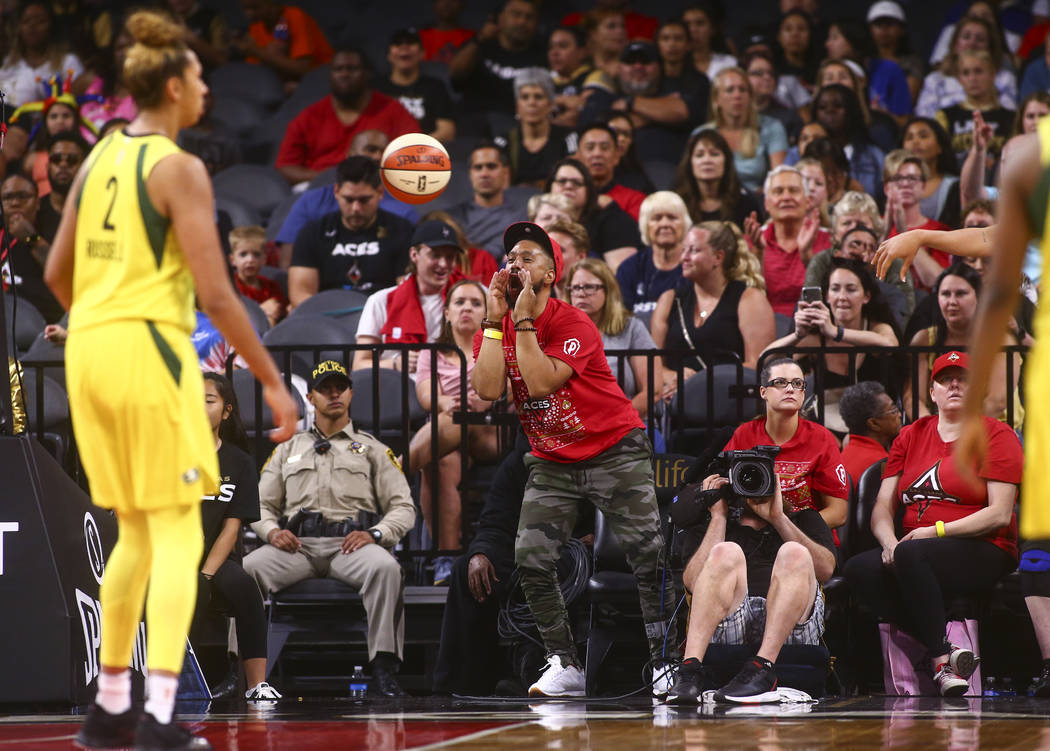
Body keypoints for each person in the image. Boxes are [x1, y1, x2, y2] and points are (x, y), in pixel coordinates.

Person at [52, 11, 297, 749]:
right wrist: (272, 382)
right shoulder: (178, 166)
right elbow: (218, 294)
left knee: (135, 532)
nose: (205, 88)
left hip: (89, 356)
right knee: (172, 538)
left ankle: (112, 705)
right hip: (145, 354)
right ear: (170, 83)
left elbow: (59, 271)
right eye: (196, 75)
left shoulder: (98, 158)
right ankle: (161, 714)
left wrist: (104, 318)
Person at [472, 221, 678, 698]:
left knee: (647, 555)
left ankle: (664, 660)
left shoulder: (573, 323)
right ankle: (565, 662)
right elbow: (485, 390)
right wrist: (491, 319)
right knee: (530, 557)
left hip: (614, 449)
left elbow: (541, 382)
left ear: (550, 274)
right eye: (511, 257)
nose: (515, 264)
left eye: (528, 257)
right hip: (552, 458)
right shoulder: (501, 324)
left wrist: (521, 322)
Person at [843, 351, 1021, 696]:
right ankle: (950, 650)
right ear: (932, 390)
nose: (954, 385)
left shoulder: (997, 435)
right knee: (858, 569)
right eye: (945, 379)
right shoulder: (910, 435)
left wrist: (932, 532)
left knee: (912, 555)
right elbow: (881, 506)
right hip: (917, 550)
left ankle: (939, 663)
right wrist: (889, 544)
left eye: (963, 379)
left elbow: (999, 513)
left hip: (986, 547)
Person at [665, 357, 840, 704]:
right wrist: (716, 515)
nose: (790, 388)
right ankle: (688, 672)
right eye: (747, 473)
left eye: (798, 383)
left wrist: (778, 517)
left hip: (793, 624)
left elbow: (825, 570)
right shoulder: (723, 518)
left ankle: (763, 667)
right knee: (725, 552)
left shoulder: (802, 517)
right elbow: (691, 582)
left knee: (794, 553)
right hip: (732, 616)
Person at [243, 359, 416, 698]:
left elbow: (403, 507)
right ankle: (243, 673)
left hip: (351, 545)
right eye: (325, 389)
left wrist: (376, 534)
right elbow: (259, 504)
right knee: (246, 571)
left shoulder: (373, 450)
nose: (334, 394)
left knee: (386, 569)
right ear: (311, 398)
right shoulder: (287, 450)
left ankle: (384, 669)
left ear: (351, 393)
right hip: (297, 546)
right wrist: (271, 532)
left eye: (340, 387)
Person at [193, 373, 281, 701]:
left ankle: (256, 684)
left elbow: (232, 529)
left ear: (226, 411)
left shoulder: (239, 462)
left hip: (216, 555)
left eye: (208, 400)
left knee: (245, 587)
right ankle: (172, 679)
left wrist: (205, 573)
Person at [408, 279, 499, 584]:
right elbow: (426, 394)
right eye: (459, 302)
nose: (467, 308)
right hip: (449, 438)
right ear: (446, 312)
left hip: (491, 433)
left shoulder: (496, 344)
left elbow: (509, 388)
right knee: (440, 462)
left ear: (486, 312)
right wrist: (449, 402)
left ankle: (391, 470)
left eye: (475, 303)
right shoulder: (433, 352)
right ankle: (448, 559)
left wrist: (483, 399)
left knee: (459, 420)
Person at [762, 257, 901, 434]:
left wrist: (836, 332)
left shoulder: (877, 327)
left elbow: (890, 344)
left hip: (873, 424)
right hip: (825, 421)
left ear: (866, 296)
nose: (842, 297)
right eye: (835, 289)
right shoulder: (816, 336)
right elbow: (766, 360)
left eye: (850, 289)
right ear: (827, 296)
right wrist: (797, 335)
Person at [651, 221, 774, 398]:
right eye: (684, 249)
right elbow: (652, 364)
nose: (684, 257)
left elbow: (758, 365)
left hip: (729, 403)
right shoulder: (669, 299)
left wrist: (699, 382)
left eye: (693, 250)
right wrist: (673, 376)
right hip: (676, 404)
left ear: (718, 257)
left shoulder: (749, 299)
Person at [275, 47, 420, 186]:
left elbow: (415, 155)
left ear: (367, 73)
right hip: (318, 184)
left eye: (352, 69)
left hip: (377, 184)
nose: (344, 74)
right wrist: (330, 177)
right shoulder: (310, 116)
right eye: (338, 69)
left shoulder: (392, 110)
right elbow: (285, 167)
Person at [274, 133, 421, 266]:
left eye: (383, 152)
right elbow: (289, 263)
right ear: (350, 154)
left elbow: (411, 269)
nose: (377, 157)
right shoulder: (311, 201)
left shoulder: (403, 210)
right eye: (370, 149)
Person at [287, 156, 415, 305]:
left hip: (383, 314)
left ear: (380, 193)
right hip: (326, 317)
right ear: (336, 192)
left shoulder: (402, 230)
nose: (356, 208)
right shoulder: (313, 232)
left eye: (364, 200)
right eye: (348, 199)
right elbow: (301, 294)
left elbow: (407, 291)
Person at [905, 261, 1021, 424]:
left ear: (978, 297)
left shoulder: (1000, 339)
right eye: (945, 294)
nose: (952, 301)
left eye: (960, 294)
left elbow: (997, 401)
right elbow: (913, 399)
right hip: (941, 431)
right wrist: (934, 432)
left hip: (997, 428)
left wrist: (958, 434)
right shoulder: (924, 339)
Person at [353, 219, 463, 373]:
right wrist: (396, 363)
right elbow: (359, 365)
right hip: (399, 389)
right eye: (435, 255)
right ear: (414, 254)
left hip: (455, 388)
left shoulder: (472, 298)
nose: (443, 264)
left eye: (450, 257)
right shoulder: (381, 301)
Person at [568, 258, 660, 419]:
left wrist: (614, 421)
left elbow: (653, 390)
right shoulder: (560, 331)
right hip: (572, 427)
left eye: (589, 287)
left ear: (608, 290)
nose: (581, 293)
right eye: (575, 288)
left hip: (624, 424)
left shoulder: (630, 328)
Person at [745, 165, 831, 317]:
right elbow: (749, 297)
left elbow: (832, 294)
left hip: (814, 322)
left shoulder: (829, 240)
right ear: (766, 203)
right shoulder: (752, 241)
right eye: (778, 192)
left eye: (794, 190)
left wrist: (807, 257)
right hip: (763, 323)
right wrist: (758, 251)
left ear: (808, 200)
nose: (786, 197)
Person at [448, 0, 546, 127]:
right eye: (516, 15)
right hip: (473, 122)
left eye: (529, 17)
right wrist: (480, 38)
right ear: (500, 18)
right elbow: (455, 74)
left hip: (517, 127)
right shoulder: (479, 46)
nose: (522, 22)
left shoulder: (542, 56)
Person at [695, 67, 788, 194]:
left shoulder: (771, 127)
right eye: (729, 90)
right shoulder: (701, 134)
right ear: (716, 99)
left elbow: (780, 177)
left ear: (750, 97)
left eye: (742, 90)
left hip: (759, 201)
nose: (737, 95)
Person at [545, 156, 641, 271]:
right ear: (550, 186)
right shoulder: (538, 217)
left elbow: (622, 277)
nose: (568, 186)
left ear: (588, 190)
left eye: (577, 182)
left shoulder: (614, 221)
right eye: (562, 181)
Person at [916, 14, 1017, 119]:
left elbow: (1010, 118)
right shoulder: (935, 80)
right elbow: (924, 120)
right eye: (966, 37)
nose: (972, 43)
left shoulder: (1005, 79)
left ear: (990, 47)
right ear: (955, 44)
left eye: (980, 39)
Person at [445, 143, 529, 262]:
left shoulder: (521, 219)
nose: (484, 174)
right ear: (470, 174)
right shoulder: (452, 218)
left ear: (505, 172)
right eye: (478, 167)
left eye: (491, 166)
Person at [494, 68, 576, 187]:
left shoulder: (568, 138)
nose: (531, 103)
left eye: (538, 97)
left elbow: (573, 178)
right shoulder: (504, 142)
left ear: (550, 104)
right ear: (518, 106)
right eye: (525, 97)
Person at [0, 172, 64, 324]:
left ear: (38, 203)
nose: (15, 203)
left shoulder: (54, 229)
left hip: (44, 322)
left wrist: (32, 239)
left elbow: (61, 274)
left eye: (23, 196)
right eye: (8, 198)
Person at [934, 50, 1015, 167]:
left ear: (993, 74)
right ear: (959, 79)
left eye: (978, 71)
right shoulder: (945, 115)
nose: (972, 78)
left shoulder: (1011, 117)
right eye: (966, 73)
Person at [377, 27, 456, 144]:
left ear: (422, 53)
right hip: (382, 152)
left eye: (410, 42)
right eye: (397, 43)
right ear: (388, 55)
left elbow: (447, 131)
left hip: (423, 155)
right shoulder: (376, 87)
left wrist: (415, 147)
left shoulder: (435, 86)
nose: (404, 47)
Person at [616, 191, 689, 315]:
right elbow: (622, 317)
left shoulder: (696, 267)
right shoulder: (629, 268)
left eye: (672, 217)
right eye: (656, 218)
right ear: (645, 225)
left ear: (685, 223)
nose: (665, 224)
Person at [809, 84, 886, 199]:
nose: (830, 111)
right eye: (823, 107)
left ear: (851, 110)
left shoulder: (873, 155)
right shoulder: (802, 152)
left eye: (838, 106)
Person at [675, 128, 763, 230]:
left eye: (714, 154)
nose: (707, 160)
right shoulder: (678, 203)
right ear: (690, 163)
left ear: (726, 162)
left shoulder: (745, 203)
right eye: (699, 155)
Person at [0, 1, 83, 107]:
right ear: (19, 27)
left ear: (52, 26)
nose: (32, 26)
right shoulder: (8, 64)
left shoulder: (68, 63)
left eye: (40, 21)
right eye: (26, 21)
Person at [233, 0, 332, 84]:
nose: (248, 14)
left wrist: (258, 52)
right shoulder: (256, 25)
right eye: (245, 9)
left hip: (321, 77)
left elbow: (304, 69)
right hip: (281, 84)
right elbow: (255, 71)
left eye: (254, 8)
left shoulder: (296, 16)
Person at [575, 122, 646, 222]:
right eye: (590, 147)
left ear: (616, 156)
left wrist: (613, 209)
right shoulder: (568, 196)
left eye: (604, 148)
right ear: (578, 157)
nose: (597, 154)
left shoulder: (634, 200)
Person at [838, 380, 902, 484]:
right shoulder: (882, 465)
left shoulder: (841, 459)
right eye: (893, 411)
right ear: (874, 423)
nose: (899, 415)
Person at [901, 117, 961, 227]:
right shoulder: (893, 184)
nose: (915, 141)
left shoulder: (956, 187)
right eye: (909, 137)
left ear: (940, 146)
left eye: (923, 136)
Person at [36, 131, 90, 243]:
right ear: (48, 166)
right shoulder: (35, 210)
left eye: (72, 160)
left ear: (84, 167)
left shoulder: (95, 209)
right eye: (56, 159)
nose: (63, 165)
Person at [228, 225, 287, 327]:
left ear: (264, 259)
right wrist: (261, 311)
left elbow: (281, 311)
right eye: (243, 254)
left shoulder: (272, 287)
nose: (250, 260)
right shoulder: (231, 287)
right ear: (233, 260)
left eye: (256, 254)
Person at [867, 0, 923, 103]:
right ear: (870, 29)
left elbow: (907, 99)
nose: (884, 29)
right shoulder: (864, 61)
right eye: (878, 24)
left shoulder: (912, 63)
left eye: (889, 24)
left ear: (902, 29)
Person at [744, 49, 802, 145]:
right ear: (743, 77)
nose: (767, 77)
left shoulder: (789, 118)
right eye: (758, 73)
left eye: (771, 73)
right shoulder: (736, 117)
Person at [682, 2, 737, 80]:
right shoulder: (675, 65)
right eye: (687, 24)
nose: (693, 29)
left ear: (712, 28)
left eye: (700, 23)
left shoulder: (728, 63)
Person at [546, 218, 590, 299]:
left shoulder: (590, 301)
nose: (550, 257)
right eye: (547, 250)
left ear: (581, 257)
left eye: (559, 250)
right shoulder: (537, 301)